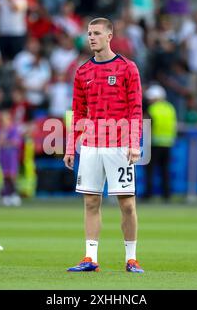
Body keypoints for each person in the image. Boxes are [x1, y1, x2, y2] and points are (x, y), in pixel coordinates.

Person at [63, 17, 144, 273]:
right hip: (90, 146)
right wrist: (69, 146)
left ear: (109, 36)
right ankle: (90, 258)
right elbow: (77, 111)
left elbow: (135, 109)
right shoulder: (82, 72)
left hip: (119, 146)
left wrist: (134, 143)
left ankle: (131, 258)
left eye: (96, 33)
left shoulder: (127, 68)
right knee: (90, 202)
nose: (91, 37)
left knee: (127, 204)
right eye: (89, 33)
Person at [143, 84, 177, 201]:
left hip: (154, 143)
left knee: (150, 171)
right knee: (165, 170)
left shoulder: (152, 109)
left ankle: (148, 194)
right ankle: (167, 195)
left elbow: (147, 124)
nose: (149, 99)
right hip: (168, 143)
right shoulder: (170, 108)